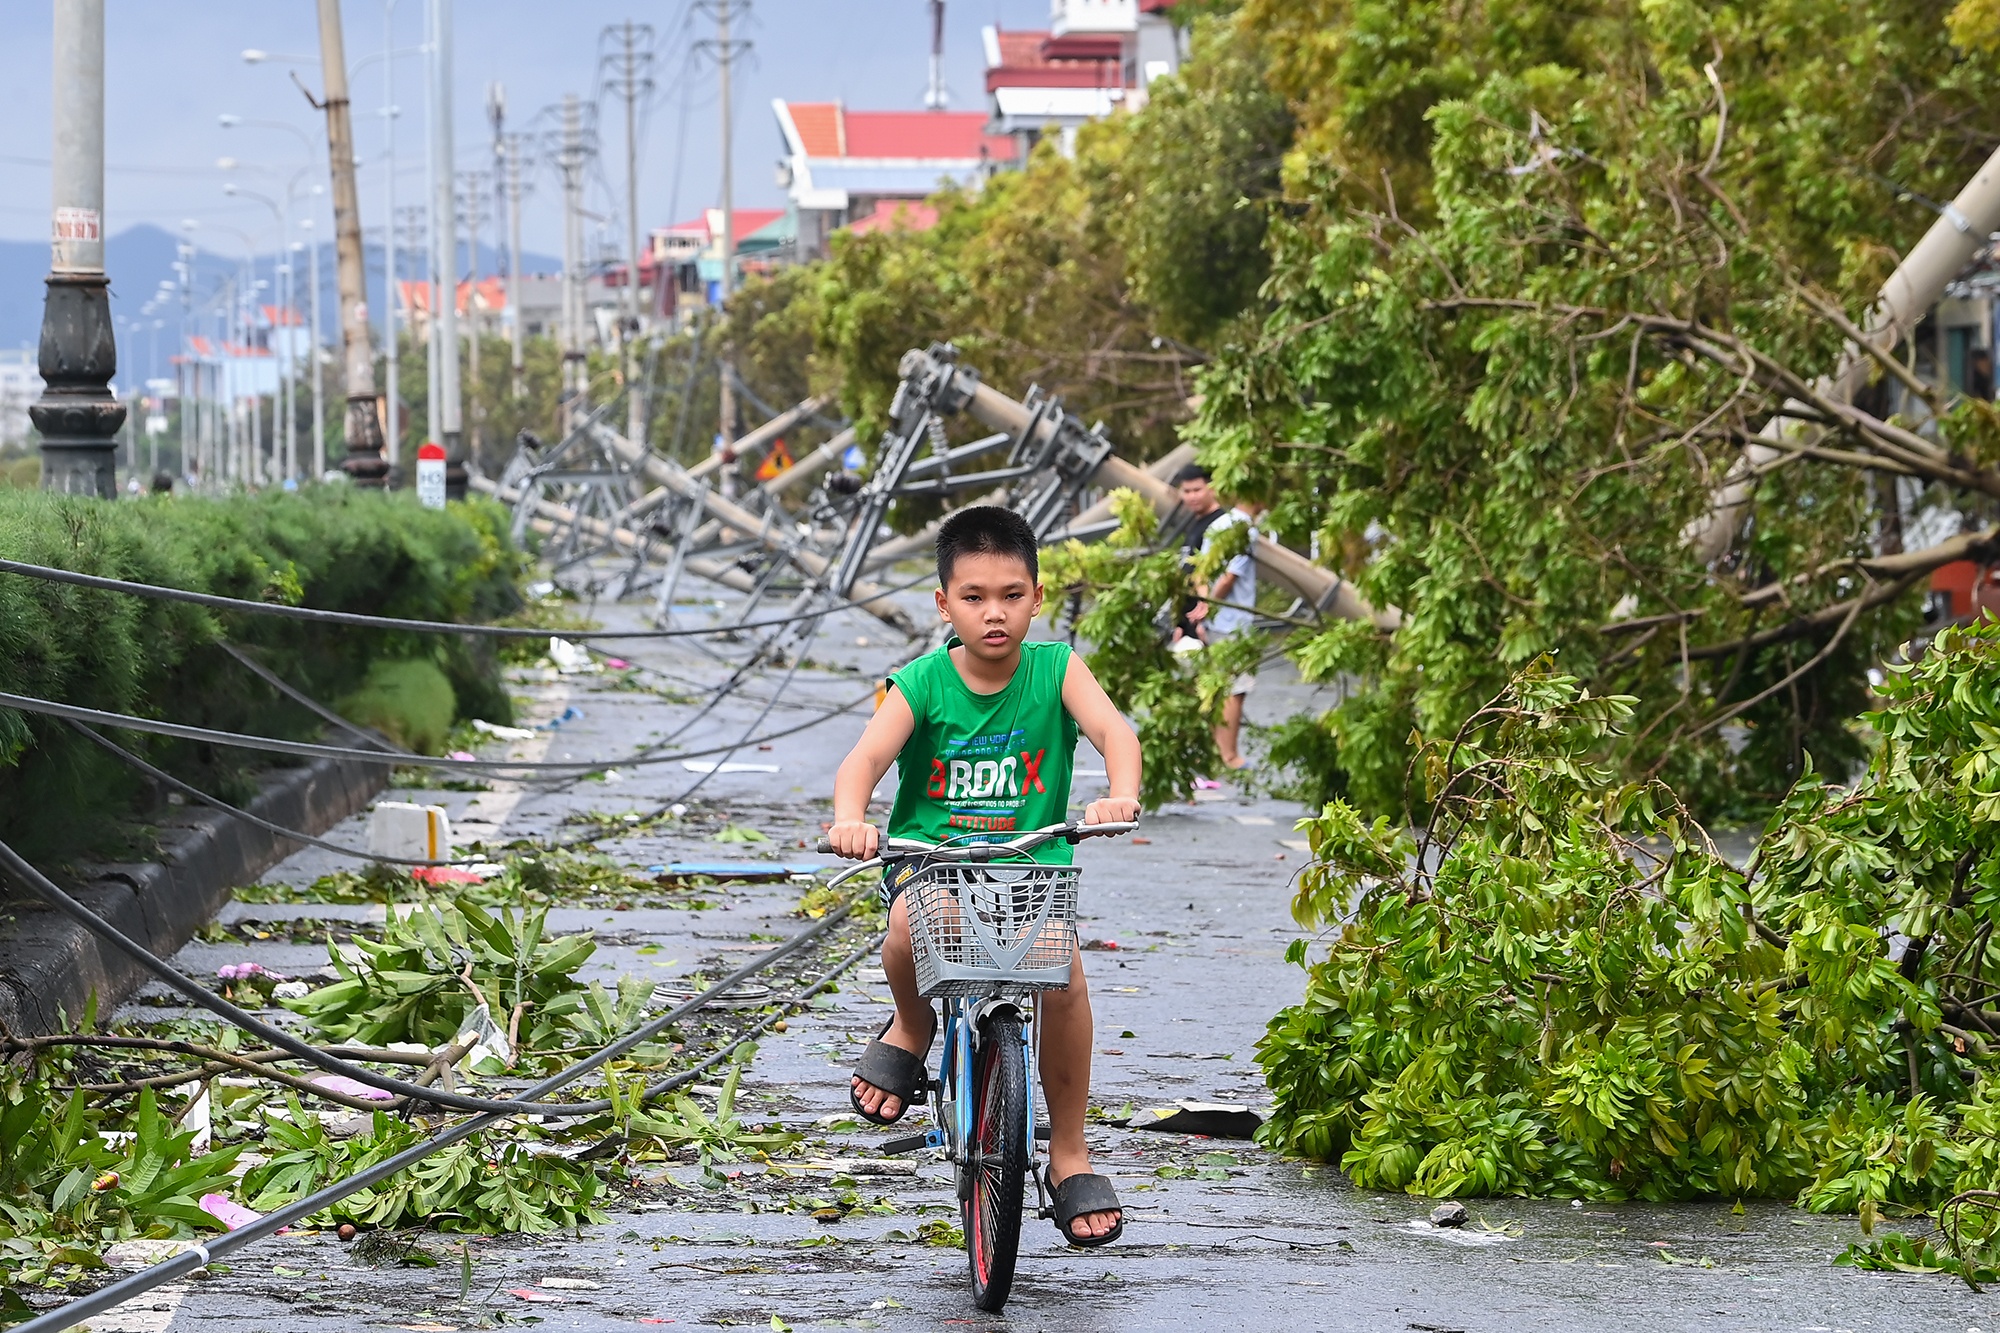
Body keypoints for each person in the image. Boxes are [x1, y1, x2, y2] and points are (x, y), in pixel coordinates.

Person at [826, 505, 1142, 1248]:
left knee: (1064, 974)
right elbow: (864, 761)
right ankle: (912, 1024)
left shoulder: (1057, 668)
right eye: (973, 597)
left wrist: (1119, 789)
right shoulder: (923, 680)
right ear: (944, 604)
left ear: (1037, 596)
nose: (994, 614)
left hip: (1031, 870)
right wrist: (851, 815)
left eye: (1011, 595)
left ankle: (1068, 1151)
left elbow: (1113, 731)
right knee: (906, 925)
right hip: (935, 868)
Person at [1198, 498, 1266, 768]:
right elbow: (1229, 576)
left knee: (1218, 686)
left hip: (1217, 623)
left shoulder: (1218, 524)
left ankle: (1217, 750)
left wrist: (1204, 605)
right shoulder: (1244, 530)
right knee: (1235, 690)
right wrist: (1211, 606)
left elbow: (1202, 572)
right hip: (1234, 623)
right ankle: (1229, 755)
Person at [1170, 464, 1225, 643]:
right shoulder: (1194, 524)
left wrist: (1206, 619)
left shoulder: (1220, 524)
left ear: (1211, 488)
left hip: (1207, 622)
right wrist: (1180, 623)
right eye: (1186, 491)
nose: (1192, 496)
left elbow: (1220, 576)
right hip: (1189, 623)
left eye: (1197, 490)